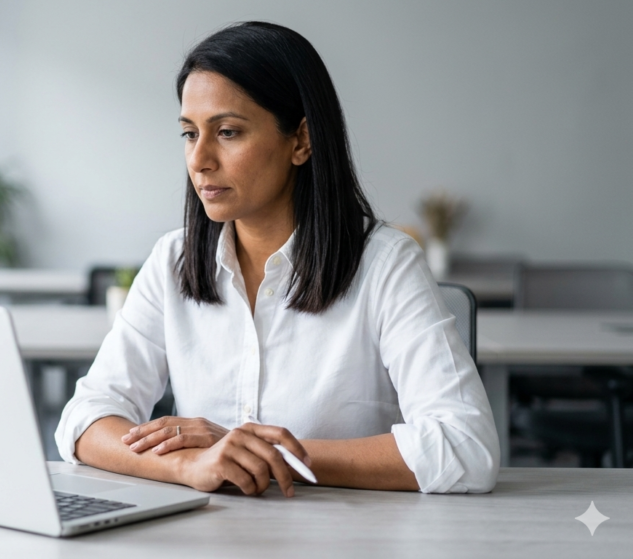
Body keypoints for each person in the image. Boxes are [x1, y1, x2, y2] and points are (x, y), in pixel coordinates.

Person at [55, 21, 499, 497]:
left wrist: (262, 454)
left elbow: (465, 447)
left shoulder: (386, 263)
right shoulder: (174, 259)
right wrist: (189, 467)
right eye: (189, 133)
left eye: (227, 132)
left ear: (301, 140)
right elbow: (84, 421)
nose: (199, 159)